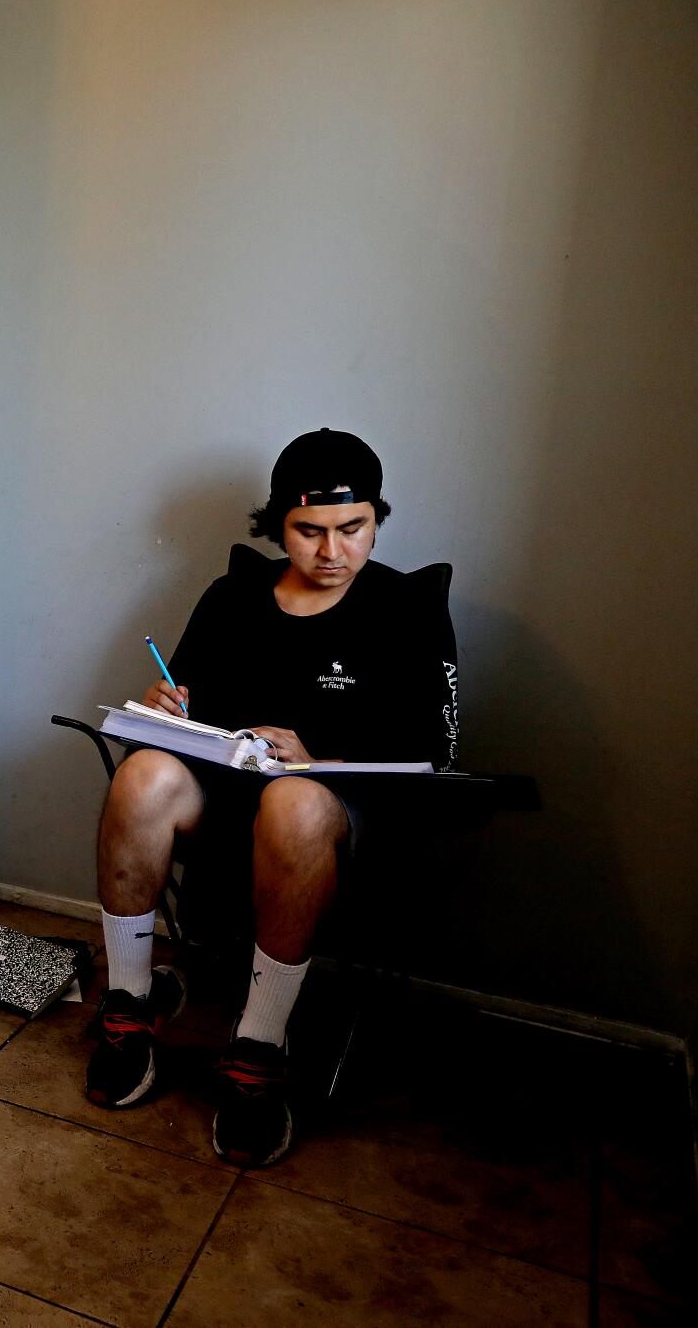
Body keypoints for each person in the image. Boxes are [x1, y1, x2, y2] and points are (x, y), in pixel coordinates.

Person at [85, 428, 460, 1167]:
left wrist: (318, 760)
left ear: (377, 518)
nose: (331, 551)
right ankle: (129, 1006)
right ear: (276, 525)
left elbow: (436, 750)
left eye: (352, 529)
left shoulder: (406, 607)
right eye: (308, 531)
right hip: (225, 797)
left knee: (295, 800)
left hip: (334, 813)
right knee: (141, 772)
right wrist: (169, 708)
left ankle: (258, 1049)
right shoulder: (234, 595)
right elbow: (189, 712)